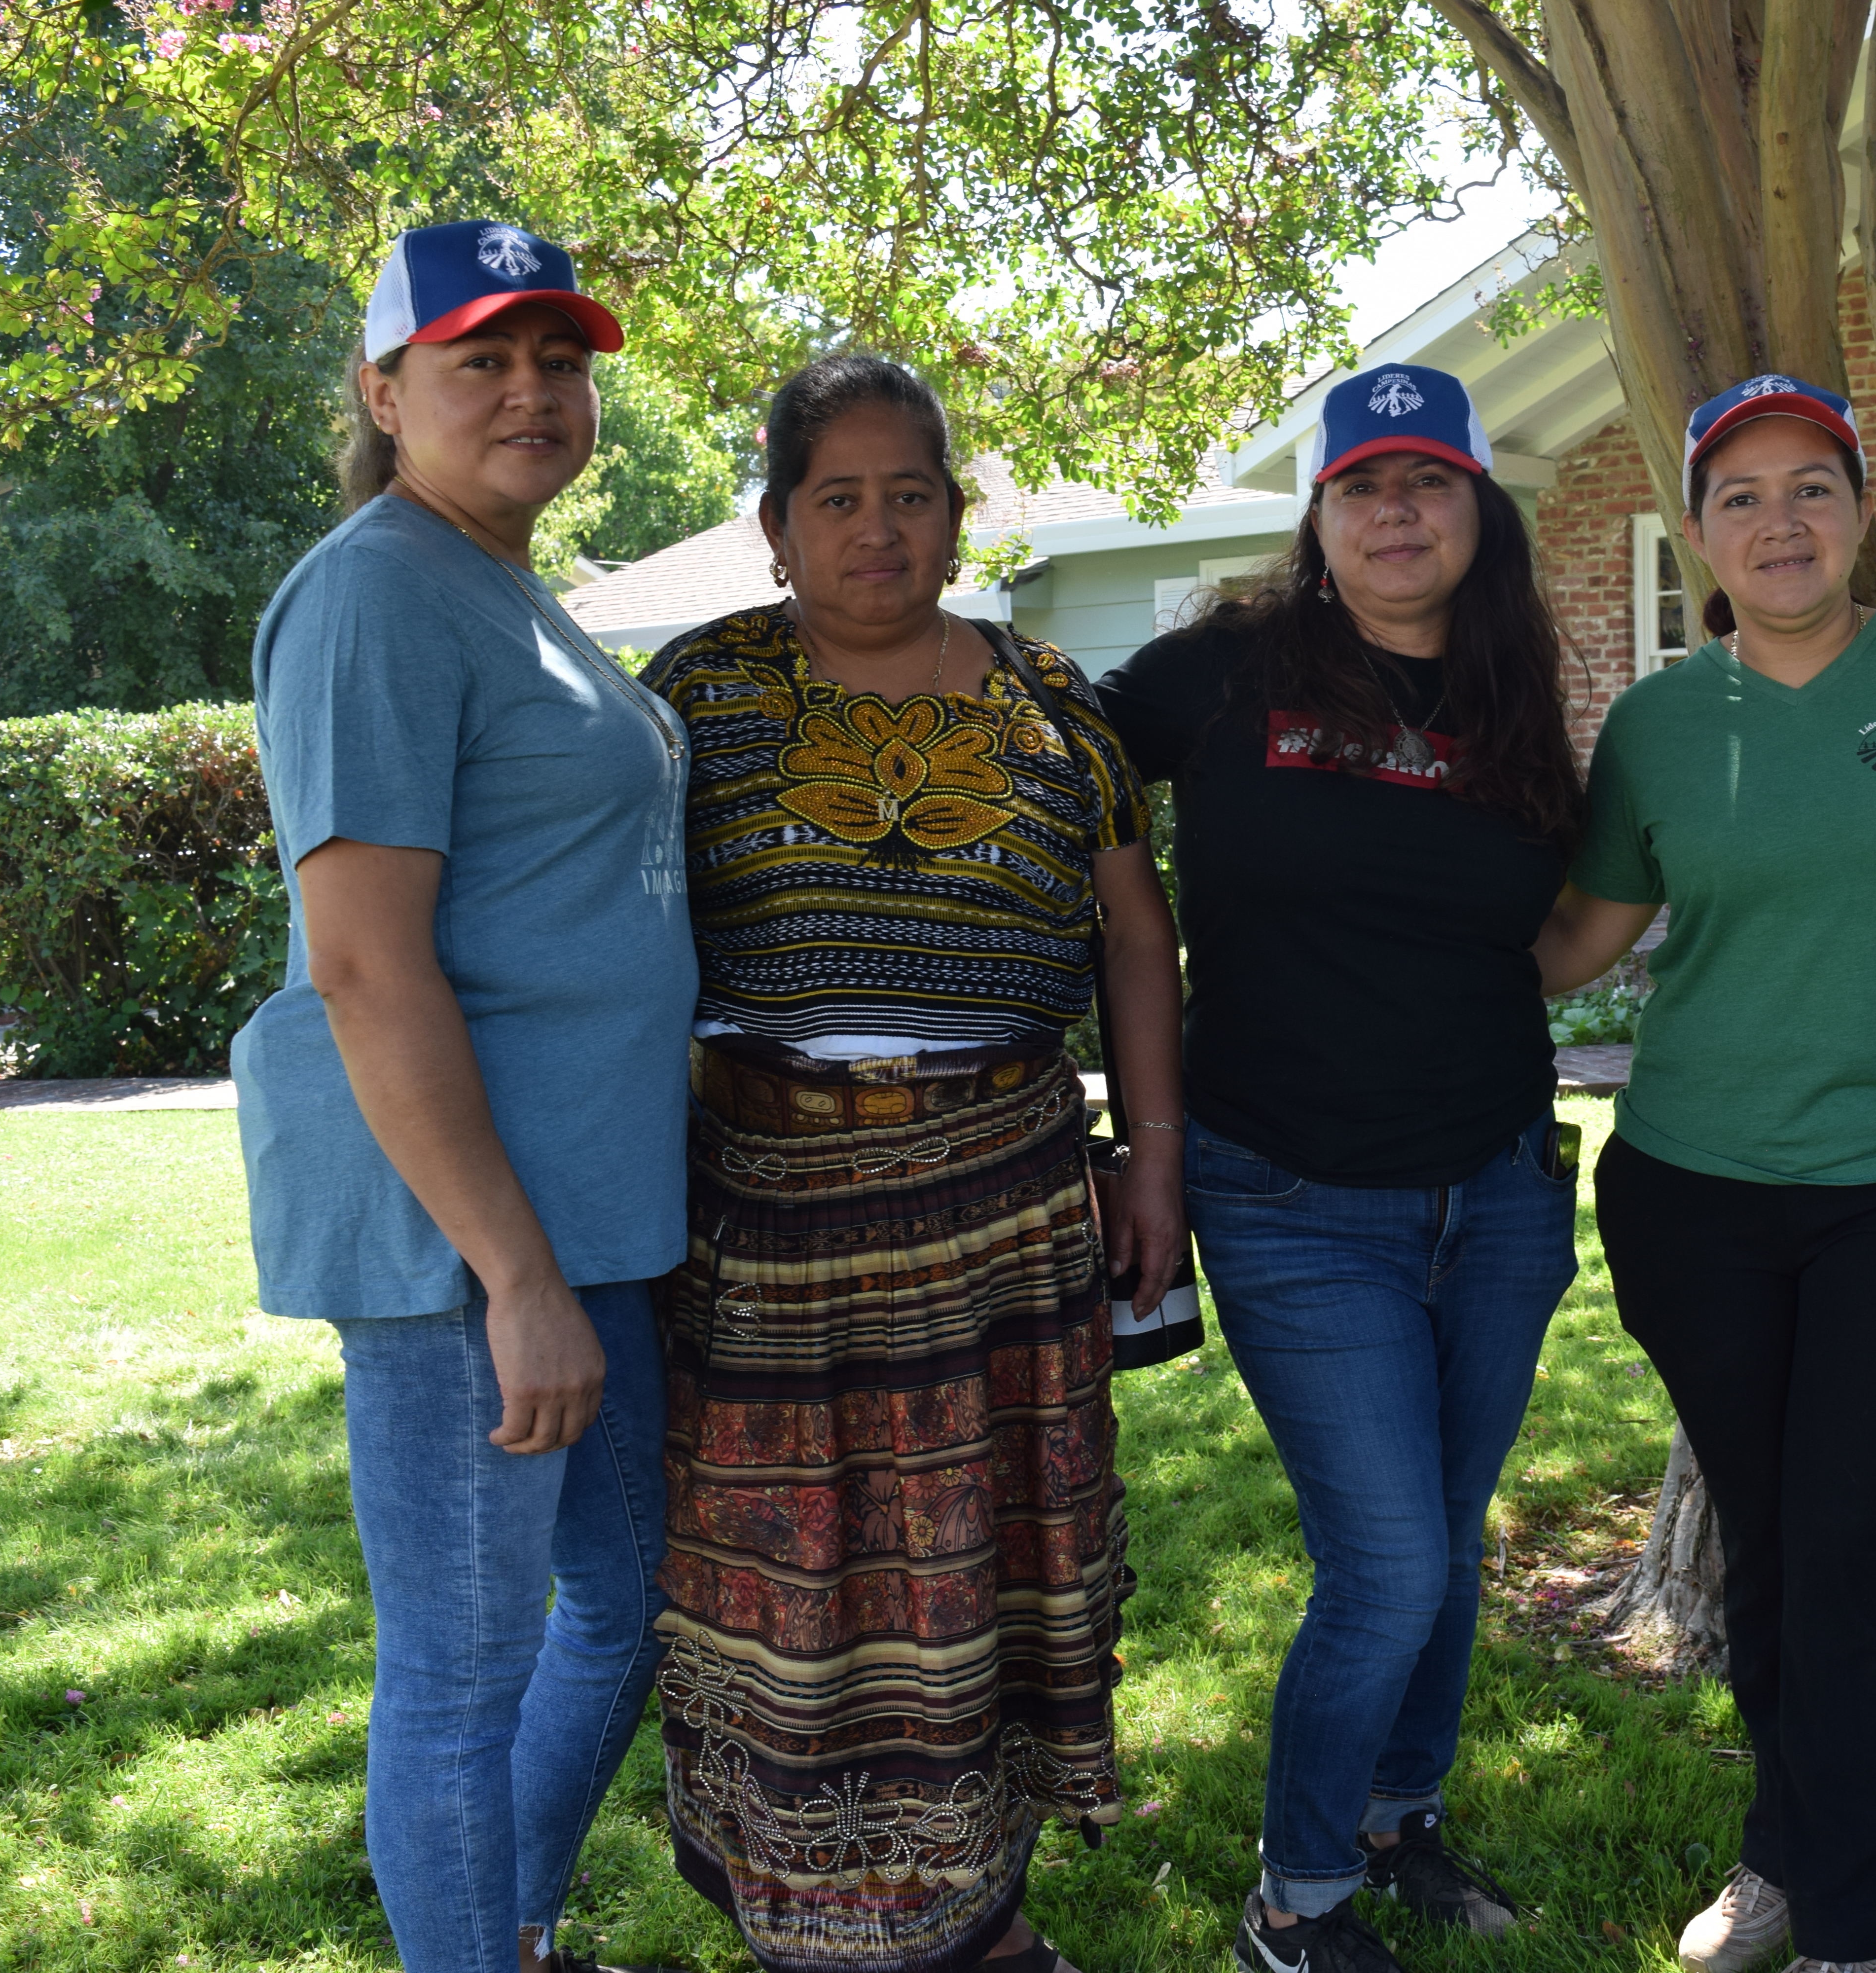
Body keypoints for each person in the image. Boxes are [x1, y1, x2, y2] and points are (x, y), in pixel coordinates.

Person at [639, 352, 1184, 1973]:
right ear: (777, 526)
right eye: (839, 498)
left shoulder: (1056, 705)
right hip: (765, 1209)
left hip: (1008, 1204)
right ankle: (807, 1912)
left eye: (911, 494)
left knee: (986, 1565)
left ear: (960, 516)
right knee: (791, 1576)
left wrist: (1156, 1163)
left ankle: (977, 1912)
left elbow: (1138, 942)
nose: (878, 528)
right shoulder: (698, 695)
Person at [1532, 376, 1876, 1973]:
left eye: (1813, 488)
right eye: (1744, 496)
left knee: (1849, 1547)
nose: (1782, 521)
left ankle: (1861, 1931)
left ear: (1858, 514)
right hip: (1695, 1191)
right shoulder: (1655, 721)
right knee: (1768, 1547)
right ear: (1700, 531)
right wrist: (1407, 983)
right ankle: (1785, 1851)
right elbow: (1583, 937)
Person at [230, 220, 689, 1973]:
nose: (531, 391)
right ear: (383, 388)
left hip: (589, 1213)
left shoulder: (498, 585)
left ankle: (507, 1924)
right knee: (460, 1669)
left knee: (630, 1602)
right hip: (466, 1244)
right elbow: (365, 963)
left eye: (558, 360)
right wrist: (511, 1275)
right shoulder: (372, 591)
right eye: (480, 360)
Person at [1093, 363, 1584, 1973]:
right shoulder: (1226, 675)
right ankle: (1296, 1898)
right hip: (1291, 1189)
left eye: (1428, 483)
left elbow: (1556, 925)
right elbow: (1055, 783)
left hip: (1500, 1184)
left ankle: (1398, 1814)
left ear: (1476, 509)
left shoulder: (1517, 687)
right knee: (1387, 1564)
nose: (1396, 511)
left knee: (1447, 1535)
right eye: (1364, 485)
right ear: (1320, 515)